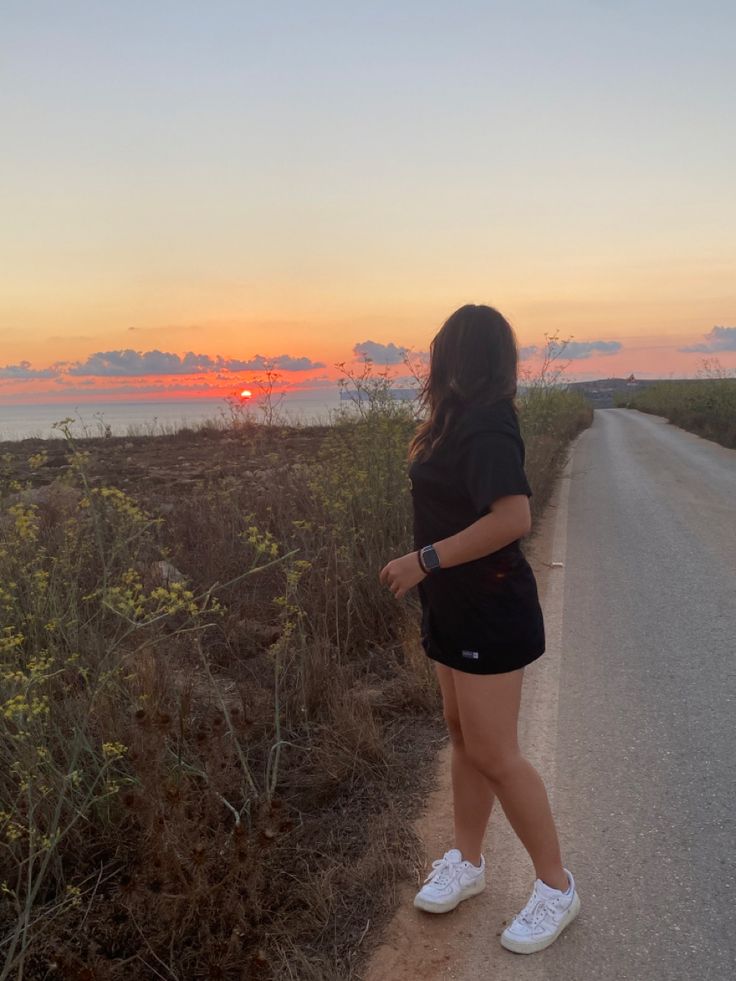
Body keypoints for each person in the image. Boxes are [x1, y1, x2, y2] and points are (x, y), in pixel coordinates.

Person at [378, 304, 580, 954]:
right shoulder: (451, 420)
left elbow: (514, 515)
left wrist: (423, 560)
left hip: (489, 610)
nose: (432, 356)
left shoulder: (489, 422)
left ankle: (556, 886)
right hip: (452, 607)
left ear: (461, 355)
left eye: (442, 347)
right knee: (463, 735)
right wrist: (432, 576)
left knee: (496, 751)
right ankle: (468, 860)